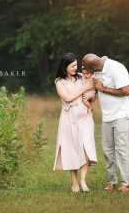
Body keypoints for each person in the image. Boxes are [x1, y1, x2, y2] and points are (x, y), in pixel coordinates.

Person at [82, 53, 129, 193]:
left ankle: (126, 183)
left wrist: (103, 89)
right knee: (107, 150)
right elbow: (95, 90)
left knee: (122, 149)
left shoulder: (116, 68)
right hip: (108, 116)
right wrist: (91, 95)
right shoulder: (99, 69)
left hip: (123, 114)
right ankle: (111, 181)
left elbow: (126, 91)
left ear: (94, 66)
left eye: (88, 68)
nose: (87, 71)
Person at [53, 52, 98, 193]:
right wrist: (84, 88)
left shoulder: (81, 76)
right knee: (71, 149)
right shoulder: (59, 81)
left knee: (86, 147)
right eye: (72, 66)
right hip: (69, 120)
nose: (75, 68)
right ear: (65, 66)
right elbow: (67, 97)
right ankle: (74, 182)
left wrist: (91, 96)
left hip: (85, 118)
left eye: (76, 65)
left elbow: (92, 94)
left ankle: (83, 180)